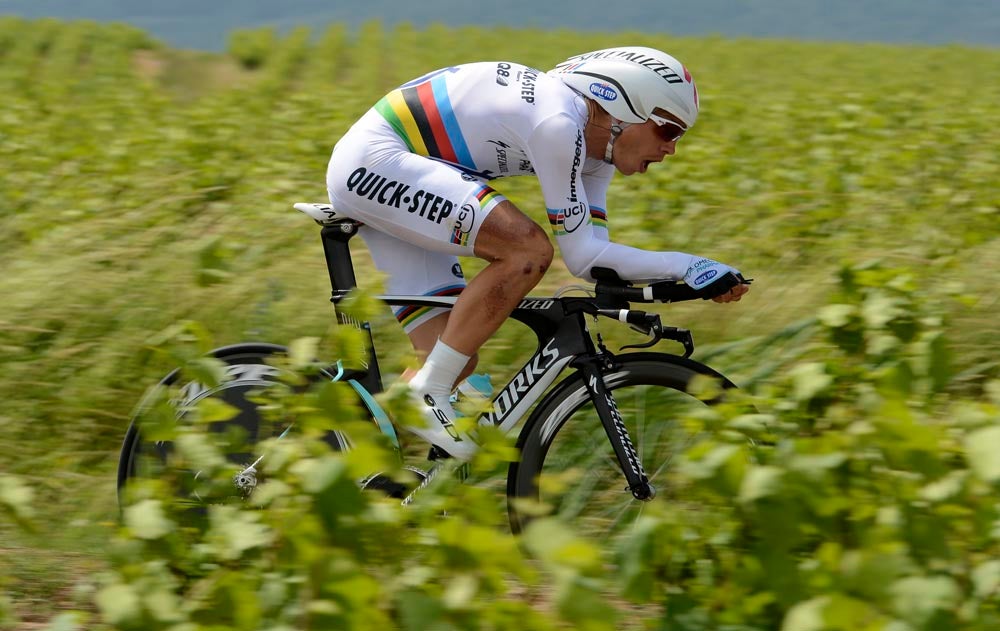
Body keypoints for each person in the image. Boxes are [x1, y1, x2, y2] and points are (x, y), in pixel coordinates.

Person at [326, 46, 750, 460]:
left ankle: (353, 465)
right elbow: (576, 255)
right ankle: (426, 395)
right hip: (377, 162)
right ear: (622, 107)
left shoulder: (595, 154)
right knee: (525, 250)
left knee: (456, 354)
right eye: (668, 130)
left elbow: (592, 258)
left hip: (401, 173)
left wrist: (690, 275)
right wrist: (685, 264)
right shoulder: (559, 122)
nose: (672, 148)